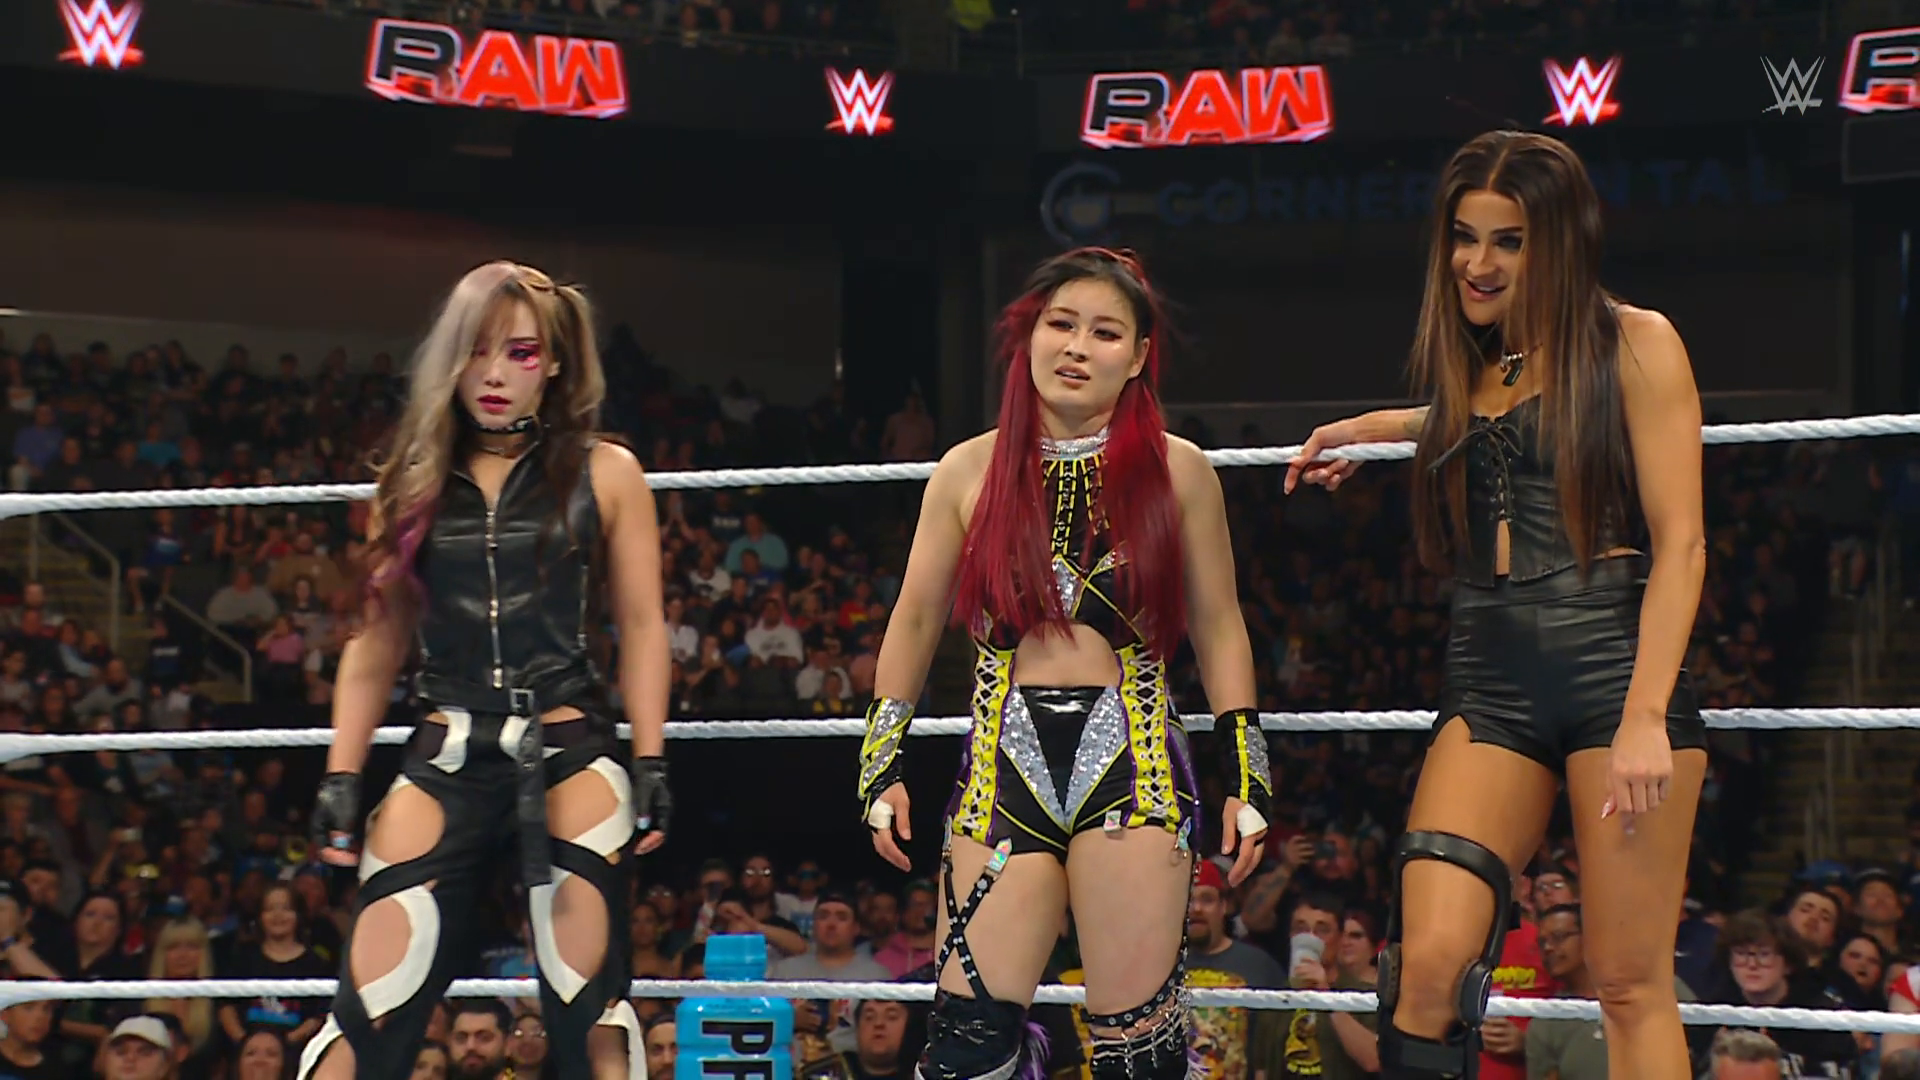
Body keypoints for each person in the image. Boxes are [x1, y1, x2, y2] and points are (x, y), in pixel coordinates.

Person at [1288, 130, 1708, 1079]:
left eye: (1508, 241)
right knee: (1425, 965)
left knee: (1628, 982)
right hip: (1490, 666)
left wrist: (1645, 714)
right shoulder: (1479, 360)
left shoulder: (1636, 342)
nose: (1478, 263)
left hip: (1611, 660)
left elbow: (1683, 541)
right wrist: (1367, 429)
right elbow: (1472, 416)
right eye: (1465, 237)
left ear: (1559, 241)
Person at [859, 247, 1269, 1080]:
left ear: (1139, 356)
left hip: (1135, 771)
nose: (1078, 347)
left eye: (1105, 332)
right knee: (965, 1050)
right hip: (998, 772)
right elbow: (915, 619)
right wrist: (881, 762)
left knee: (1136, 1058)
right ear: (1028, 336)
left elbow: (1220, 624)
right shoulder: (967, 469)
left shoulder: (1180, 471)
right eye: (1061, 324)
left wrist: (1248, 774)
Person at [297, 262, 673, 1080]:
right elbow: (375, 638)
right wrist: (341, 774)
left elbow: (643, 624)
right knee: (369, 1008)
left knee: (592, 1011)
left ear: (556, 363)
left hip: (567, 739)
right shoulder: (412, 481)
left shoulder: (607, 472)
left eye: (520, 353)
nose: (495, 374)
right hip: (449, 741)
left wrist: (650, 758)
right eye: (475, 351)